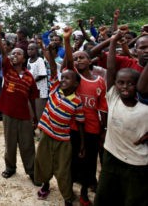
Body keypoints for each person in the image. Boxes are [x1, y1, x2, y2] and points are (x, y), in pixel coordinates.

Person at [94, 31, 148, 206]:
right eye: (121, 83)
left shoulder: (144, 108)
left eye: (131, 83)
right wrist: (113, 41)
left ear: (138, 86)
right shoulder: (113, 98)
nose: (125, 87)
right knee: (103, 197)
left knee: (132, 200)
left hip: (137, 163)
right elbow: (110, 69)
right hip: (111, 156)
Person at [34, 27, 85, 206]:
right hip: (46, 134)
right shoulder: (55, 87)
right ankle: (46, 184)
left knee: (63, 169)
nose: (63, 80)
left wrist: (82, 143)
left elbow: (79, 124)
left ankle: (67, 196)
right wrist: (46, 48)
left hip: (63, 140)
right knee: (43, 162)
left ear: (76, 83)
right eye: (62, 78)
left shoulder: (77, 102)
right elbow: (55, 69)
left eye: (67, 79)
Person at [65, 29, 108, 206]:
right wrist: (66, 40)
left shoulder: (99, 82)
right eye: (76, 59)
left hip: (91, 128)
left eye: (82, 57)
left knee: (89, 162)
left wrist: (103, 129)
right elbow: (68, 58)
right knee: (72, 160)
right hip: (73, 127)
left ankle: (84, 193)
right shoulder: (75, 78)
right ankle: (69, 193)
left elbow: (103, 108)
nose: (78, 60)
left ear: (90, 61)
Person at [0, 25, 39, 184]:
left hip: (24, 116)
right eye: (13, 54)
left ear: (24, 58)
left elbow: (33, 98)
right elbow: (2, 50)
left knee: (28, 145)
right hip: (8, 113)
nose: (14, 56)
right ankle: (10, 167)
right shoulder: (8, 70)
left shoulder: (29, 77)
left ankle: (32, 171)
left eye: (18, 53)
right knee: (10, 143)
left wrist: (35, 118)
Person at [26, 43, 48, 123]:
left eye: (32, 49)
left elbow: (42, 74)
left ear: (36, 50)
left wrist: (31, 81)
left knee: (39, 112)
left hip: (40, 90)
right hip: (32, 90)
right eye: (28, 49)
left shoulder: (40, 60)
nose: (30, 51)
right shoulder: (28, 60)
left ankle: (41, 131)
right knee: (32, 111)